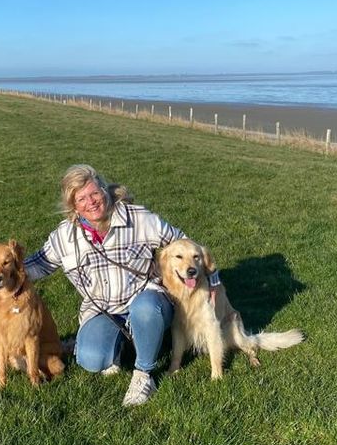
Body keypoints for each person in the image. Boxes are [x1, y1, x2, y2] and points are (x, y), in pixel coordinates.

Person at [25, 164, 218, 407]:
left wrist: (213, 281)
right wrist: (2, 271)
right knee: (91, 358)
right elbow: (39, 264)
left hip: (146, 299)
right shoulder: (64, 237)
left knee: (147, 310)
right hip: (104, 310)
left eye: (95, 193)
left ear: (104, 191)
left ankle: (143, 374)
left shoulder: (137, 218)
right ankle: (125, 344)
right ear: (73, 206)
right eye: (81, 198)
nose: (91, 202)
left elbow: (186, 245)